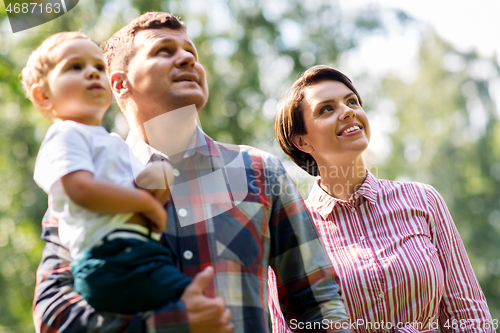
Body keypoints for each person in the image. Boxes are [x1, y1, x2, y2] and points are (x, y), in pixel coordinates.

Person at [32, 13, 352, 333]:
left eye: (191, 52)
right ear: (119, 83)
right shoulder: (84, 179)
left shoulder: (260, 172)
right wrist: (163, 325)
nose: (186, 58)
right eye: (164, 51)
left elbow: (318, 305)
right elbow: (52, 312)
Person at [269, 65, 495, 332]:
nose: (348, 111)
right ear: (302, 142)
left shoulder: (423, 201)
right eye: (327, 109)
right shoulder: (291, 233)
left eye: (352, 101)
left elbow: (469, 316)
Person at [21, 31, 191, 314]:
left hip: (136, 253)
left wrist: (161, 176)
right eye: (75, 67)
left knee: (185, 304)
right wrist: (146, 204)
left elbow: (144, 187)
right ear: (43, 95)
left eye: (99, 67)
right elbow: (81, 190)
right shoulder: (65, 135)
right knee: (189, 304)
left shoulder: (112, 142)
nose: (92, 73)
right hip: (108, 256)